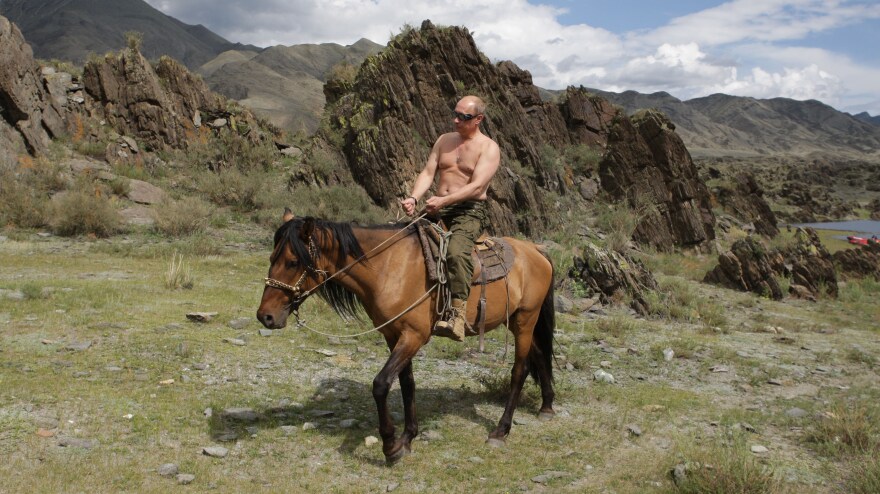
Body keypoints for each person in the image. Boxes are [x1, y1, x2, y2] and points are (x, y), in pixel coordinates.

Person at [400, 95, 501, 341]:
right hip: (438, 207)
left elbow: (477, 187)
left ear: (478, 119)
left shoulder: (489, 148)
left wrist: (444, 201)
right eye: (454, 114)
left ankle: (458, 316)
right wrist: (414, 197)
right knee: (401, 239)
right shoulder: (444, 140)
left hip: (469, 210)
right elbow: (428, 172)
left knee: (456, 253)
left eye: (463, 117)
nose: (455, 120)